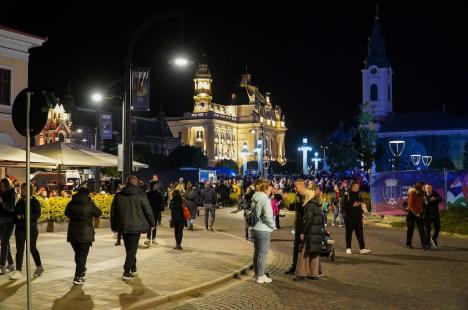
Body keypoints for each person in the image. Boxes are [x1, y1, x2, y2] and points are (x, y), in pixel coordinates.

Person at [111, 176, 155, 281]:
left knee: (129, 249)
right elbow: (147, 210)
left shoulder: (118, 195)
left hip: (123, 225)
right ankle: (127, 271)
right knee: (132, 250)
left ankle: (133, 267)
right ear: (136, 183)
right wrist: (152, 223)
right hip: (136, 226)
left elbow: (113, 212)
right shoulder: (141, 195)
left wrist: (114, 226)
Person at [65, 187, 102, 285]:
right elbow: (98, 213)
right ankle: (77, 276)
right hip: (85, 234)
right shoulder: (89, 204)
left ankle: (81, 273)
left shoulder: (71, 203)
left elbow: (66, 213)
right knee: (82, 256)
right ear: (88, 194)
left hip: (73, 233)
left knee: (78, 255)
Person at [9, 183, 44, 280]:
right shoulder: (20, 202)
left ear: (29, 190)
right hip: (20, 228)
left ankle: (39, 266)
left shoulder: (34, 202)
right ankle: (18, 271)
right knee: (19, 250)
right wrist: (19, 217)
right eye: (22, 188)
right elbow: (15, 215)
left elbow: (36, 215)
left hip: (31, 228)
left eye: (24, 189)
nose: (22, 190)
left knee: (32, 248)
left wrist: (23, 217)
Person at [294, 184, 323, 281]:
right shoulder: (317, 204)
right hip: (317, 231)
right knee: (314, 253)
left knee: (304, 253)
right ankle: (313, 273)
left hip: (310, 231)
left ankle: (302, 274)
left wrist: (303, 232)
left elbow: (308, 220)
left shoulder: (309, 205)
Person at [251, 179, 275, 284]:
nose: (271, 191)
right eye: (269, 189)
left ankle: (257, 274)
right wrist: (273, 225)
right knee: (263, 253)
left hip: (255, 228)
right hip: (263, 229)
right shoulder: (265, 199)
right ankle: (260, 276)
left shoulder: (255, 198)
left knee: (257, 253)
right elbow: (268, 216)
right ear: (264, 188)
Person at [341, 181, 371, 254]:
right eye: (356, 186)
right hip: (349, 217)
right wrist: (352, 206)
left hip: (358, 217)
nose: (358, 187)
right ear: (352, 187)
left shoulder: (359, 194)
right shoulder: (346, 194)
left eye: (358, 186)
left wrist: (363, 212)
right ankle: (348, 248)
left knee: (360, 233)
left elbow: (360, 203)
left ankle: (362, 248)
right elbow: (343, 206)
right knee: (349, 233)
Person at [285, 180, 306, 275]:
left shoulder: (307, 197)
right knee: (296, 248)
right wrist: (285, 200)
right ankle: (294, 268)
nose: (294, 188)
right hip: (298, 225)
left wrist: (304, 229)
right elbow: (292, 207)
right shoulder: (297, 196)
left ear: (302, 186)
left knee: (305, 248)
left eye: (296, 187)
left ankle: (305, 270)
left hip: (305, 226)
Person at [0, 178, 15, 275]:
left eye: (2, 185)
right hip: (0, 221)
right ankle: (11, 264)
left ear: (6, 185)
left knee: (4, 244)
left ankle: (2, 266)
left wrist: (3, 203)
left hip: (9, 222)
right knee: (6, 244)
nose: (1, 187)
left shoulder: (11, 195)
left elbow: (11, 208)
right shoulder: (1, 194)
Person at [406, 182, 428, 249]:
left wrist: (423, 211)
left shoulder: (422, 193)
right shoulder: (412, 192)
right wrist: (415, 213)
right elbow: (410, 205)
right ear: (419, 186)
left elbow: (423, 204)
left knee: (422, 230)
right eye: (424, 187)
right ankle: (408, 243)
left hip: (419, 213)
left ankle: (423, 245)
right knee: (410, 229)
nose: (425, 188)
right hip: (411, 214)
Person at [144, 181, 164, 245]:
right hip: (148, 211)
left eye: (156, 185)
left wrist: (161, 207)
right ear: (152, 186)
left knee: (154, 225)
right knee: (149, 225)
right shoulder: (147, 193)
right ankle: (148, 238)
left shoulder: (158, 193)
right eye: (155, 185)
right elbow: (144, 202)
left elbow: (161, 202)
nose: (156, 186)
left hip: (156, 212)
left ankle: (153, 238)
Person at [423, 184, 442, 248]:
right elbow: (426, 203)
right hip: (426, 215)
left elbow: (440, 199)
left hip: (435, 215)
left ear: (432, 188)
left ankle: (433, 238)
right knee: (427, 230)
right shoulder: (423, 195)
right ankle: (427, 244)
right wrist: (431, 200)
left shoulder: (435, 193)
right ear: (425, 189)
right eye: (427, 188)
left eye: (429, 188)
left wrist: (435, 199)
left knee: (438, 228)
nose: (428, 189)